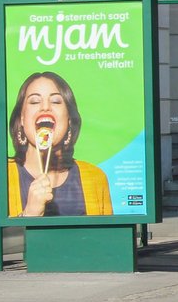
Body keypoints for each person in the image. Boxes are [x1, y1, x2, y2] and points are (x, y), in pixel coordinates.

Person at [7, 71, 112, 217]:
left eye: (56, 101)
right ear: (22, 119)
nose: (45, 107)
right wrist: (29, 213)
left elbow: (107, 237)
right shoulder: (2, 176)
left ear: (69, 119)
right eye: (34, 101)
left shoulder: (95, 177)